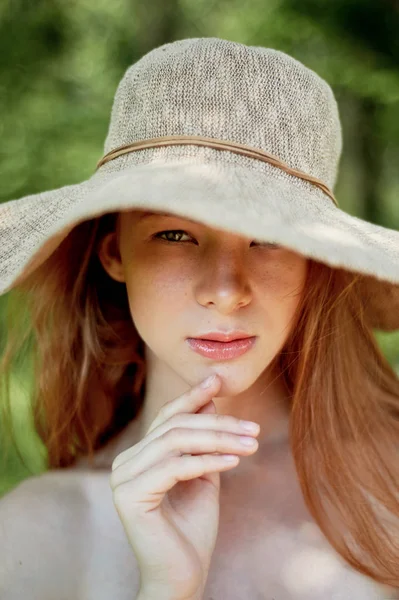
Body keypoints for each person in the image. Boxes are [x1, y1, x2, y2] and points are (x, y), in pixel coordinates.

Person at [0, 37, 398, 600]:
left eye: (270, 239)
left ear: (314, 265)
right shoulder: (32, 537)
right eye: (175, 235)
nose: (226, 290)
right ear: (114, 253)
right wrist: (166, 589)